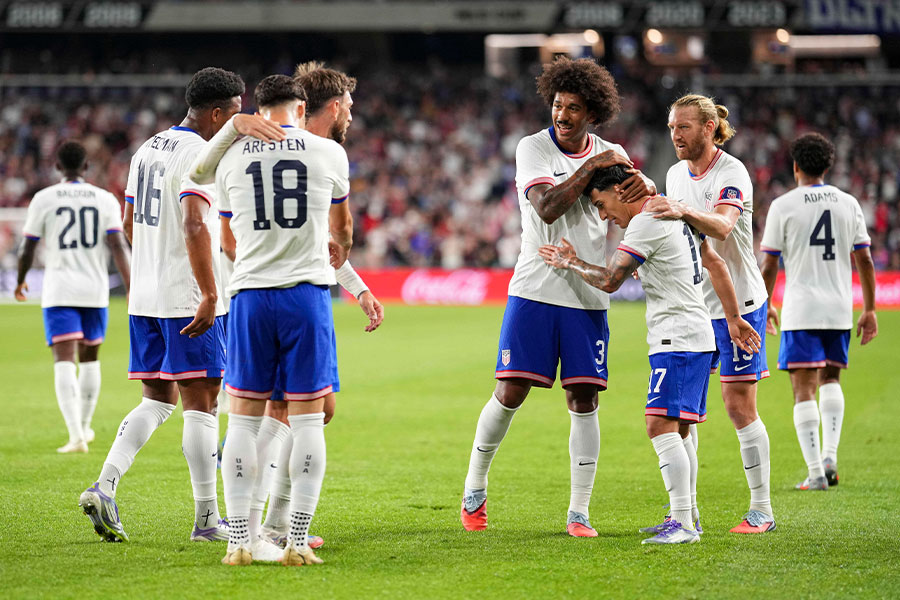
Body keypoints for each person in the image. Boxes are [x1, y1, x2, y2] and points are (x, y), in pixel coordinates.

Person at [78, 67, 285, 545]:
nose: (240, 122)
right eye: (236, 113)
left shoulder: (148, 147)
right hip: (186, 297)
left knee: (157, 398)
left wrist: (156, 254)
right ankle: (207, 519)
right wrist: (210, 293)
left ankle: (104, 485)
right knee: (202, 403)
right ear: (216, 113)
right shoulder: (201, 156)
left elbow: (129, 223)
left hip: (145, 297)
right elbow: (195, 224)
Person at [459, 57, 655, 538]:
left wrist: (647, 185)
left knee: (584, 398)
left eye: (573, 107)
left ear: (592, 113)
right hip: (535, 287)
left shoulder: (614, 151)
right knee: (510, 391)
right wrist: (592, 165)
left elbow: (638, 204)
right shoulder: (535, 147)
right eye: (557, 104)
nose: (562, 115)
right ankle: (474, 488)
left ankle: (579, 511)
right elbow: (545, 208)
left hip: (587, 290)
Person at [539, 165, 760, 544]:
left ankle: (682, 524)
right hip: (698, 334)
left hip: (676, 337)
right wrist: (733, 317)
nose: (603, 215)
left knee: (658, 425)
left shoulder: (647, 222)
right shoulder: (674, 211)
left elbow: (610, 280)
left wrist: (568, 261)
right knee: (681, 427)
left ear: (619, 191)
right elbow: (716, 263)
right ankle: (689, 516)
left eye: (601, 204)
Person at [198, 74, 352, 566]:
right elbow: (342, 231)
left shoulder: (229, 157)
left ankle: (240, 540)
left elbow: (225, 238)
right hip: (305, 295)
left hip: (248, 297)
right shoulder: (327, 153)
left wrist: (234, 130)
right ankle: (297, 541)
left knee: (243, 421)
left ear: (256, 108)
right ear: (302, 106)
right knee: (309, 420)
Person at [647, 94, 775, 534]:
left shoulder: (731, 172)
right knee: (684, 415)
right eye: (670, 128)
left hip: (739, 304)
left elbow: (722, 226)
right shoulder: (674, 173)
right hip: (696, 308)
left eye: (683, 127)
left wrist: (680, 207)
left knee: (738, 405)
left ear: (707, 127)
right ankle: (685, 513)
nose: (675, 136)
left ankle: (762, 509)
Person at [760, 132, 877, 490]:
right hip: (839, 308)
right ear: (828, 165)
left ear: (795, 166)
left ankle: (814, 473)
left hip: (801, 308)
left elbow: (769, 265)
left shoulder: (783, 205)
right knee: (831, 379)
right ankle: (830, 457)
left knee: (803, 390)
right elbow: (866, 259)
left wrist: (766, 306)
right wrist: (869, 309)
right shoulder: (849, 203)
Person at [16, 141, 131, 453]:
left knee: (64, 360)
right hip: (95, 290)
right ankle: (86, 425)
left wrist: (22, 280)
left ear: (57, 167)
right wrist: (131, 287)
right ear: (85, 167)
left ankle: (76, 434)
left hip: (59, 289)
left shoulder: (44, 198)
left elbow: (28, 246)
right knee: (91, 359)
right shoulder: (104, 198)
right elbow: (118, 246)